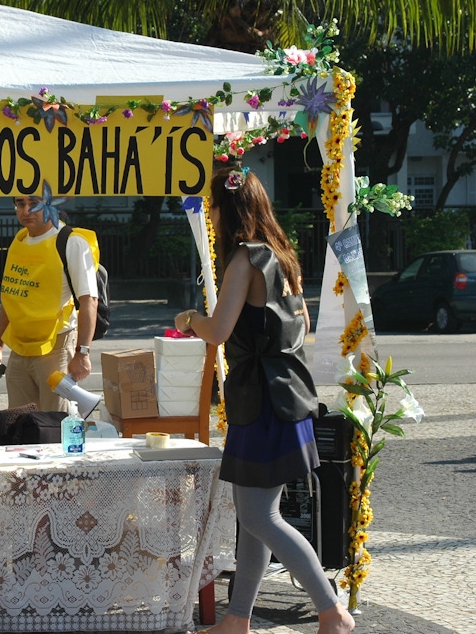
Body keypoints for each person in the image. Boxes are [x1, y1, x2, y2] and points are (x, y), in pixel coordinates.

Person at [173, 167, 354, 634]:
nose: (209, 215)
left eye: (212, 206)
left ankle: (331, 610)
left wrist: (191, 317)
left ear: (228, 209)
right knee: (254, 515)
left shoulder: (243, 260)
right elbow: (302, 328)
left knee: (258, 514)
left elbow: (218, 331)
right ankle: (237, 620)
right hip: (284, 396)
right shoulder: (282, 256)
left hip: (262, 404)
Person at [0, 193, 99, 411]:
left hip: (56, 345)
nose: (26, 210)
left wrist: (82, 353)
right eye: (20, 204)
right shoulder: (19, 241)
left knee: (55, 425)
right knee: (19, 426)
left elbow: (89, 301)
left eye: (34, 203)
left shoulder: (72, 242)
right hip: (19, 349)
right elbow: (12, 297)